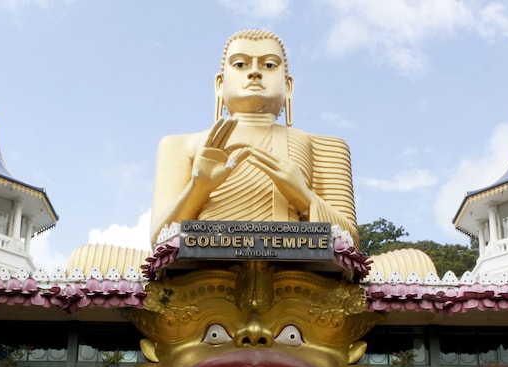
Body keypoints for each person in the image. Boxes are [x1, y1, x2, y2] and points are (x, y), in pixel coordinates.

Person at [150, 29, 358, 248]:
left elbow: (350, 241)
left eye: (269, 65)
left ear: (288, 86)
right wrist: (199, 187)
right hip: (204, 269)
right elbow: (159, 241)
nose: (255, 73)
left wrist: (303, 197)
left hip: (297, 270)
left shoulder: (324, 146)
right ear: (220, 84)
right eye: (240, 64)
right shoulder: (181, 146)